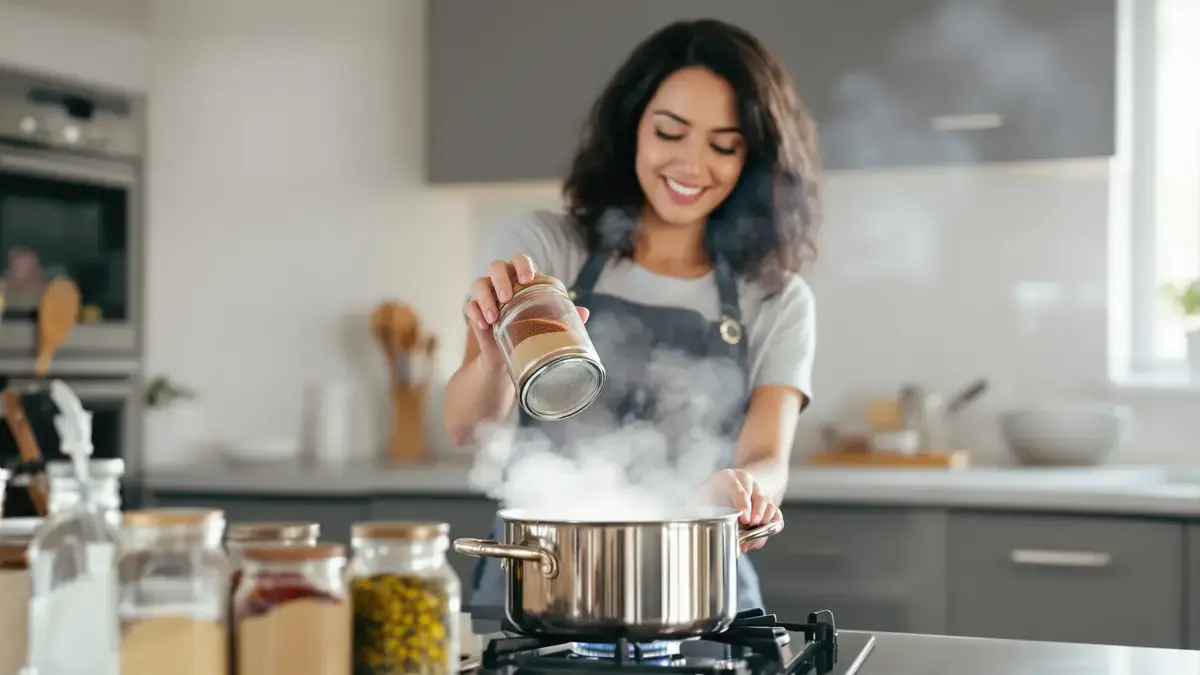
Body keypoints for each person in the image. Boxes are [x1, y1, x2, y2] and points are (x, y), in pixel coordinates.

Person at [444, 18, 822, 612]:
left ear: (753, 158)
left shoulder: (775, 297)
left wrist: (745, 493)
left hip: (696, 584)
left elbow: (766, 457)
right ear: (633, 128)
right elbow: (467, 428)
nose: (693, 165)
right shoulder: (548, 250)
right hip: (543, 579)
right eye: (671, 132)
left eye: (724, 145)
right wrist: (492, 360)